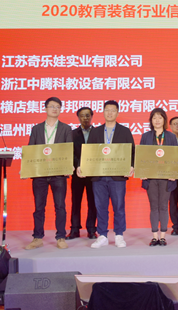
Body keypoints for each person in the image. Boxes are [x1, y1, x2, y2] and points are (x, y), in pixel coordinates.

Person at [78, 100, 135, 248]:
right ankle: (102, 235)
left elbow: (132, 151)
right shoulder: (96, 131)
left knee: (119, 207)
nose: (110, 113)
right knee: (100, 207)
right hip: (99, 176)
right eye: (107, 110)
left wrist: (132, 166)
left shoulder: (125, 131)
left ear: (117, 113)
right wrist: (83, 167)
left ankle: (119, 235)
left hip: (118, 176)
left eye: (113, 110)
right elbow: (89, 153)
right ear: (103, 112)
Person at [24, 97, 73, 250]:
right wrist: (26, 168)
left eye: (58, 106)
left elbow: (69, 149)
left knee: (60, 206)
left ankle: (61, 237)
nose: (55, 109)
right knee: (39, 207)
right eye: (52, 106)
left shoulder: (66, 128)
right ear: (45, 109)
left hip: (58, 173)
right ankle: (37, 238)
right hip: (40, 173)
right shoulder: (36, 129)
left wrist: (69, 165)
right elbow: (31, 150)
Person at [139, 108, 178, 246]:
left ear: (164, 120)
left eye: (160, 117)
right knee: (153, 206)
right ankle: (154, 236)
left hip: (166, 177)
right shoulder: (145, 136)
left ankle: (163, 237)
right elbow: (141, 156)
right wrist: (142, 172)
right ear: (151, 120)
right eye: (154, 117)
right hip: (151, 177)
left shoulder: (171, 137)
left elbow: (176, 157)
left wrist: (174, 173)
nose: (157, 120)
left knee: (163, 206)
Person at [67, 107, 97, 240]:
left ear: (91, 116)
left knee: (93, 202)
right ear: (78, 117)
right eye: (82, 115)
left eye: (87, 115)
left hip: (93, 174)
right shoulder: (72, 134)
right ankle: (74, 229)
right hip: (77, 174)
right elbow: (70, 152)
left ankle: (91, 229)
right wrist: (78, 165)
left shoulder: (98, 133)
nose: (85, 118)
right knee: (76, 202)